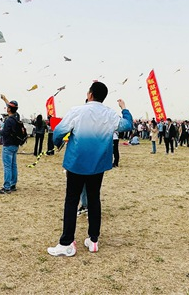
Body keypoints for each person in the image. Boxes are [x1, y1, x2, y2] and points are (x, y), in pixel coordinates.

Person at [47, 82, 132, 257]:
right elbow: (127, 125)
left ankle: (66, 243)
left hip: (76, 162)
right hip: (98, 164)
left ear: (90, 95)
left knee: (71, 200)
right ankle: (93, 240)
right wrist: (124, 109)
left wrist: (57, 144)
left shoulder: (77, 111)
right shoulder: (110, 114)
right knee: (94, 199)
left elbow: (59, 131)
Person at [0, 97, 21, 194]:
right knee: (13, 165)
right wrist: (5, 99)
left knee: (7, 166)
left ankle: (6, 187)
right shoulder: (17, 117)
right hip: (15, 145)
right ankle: (13, 184)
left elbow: (5, 132)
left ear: (9, 109)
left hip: (8, 145)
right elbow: (10, 106)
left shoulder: (9, 120)